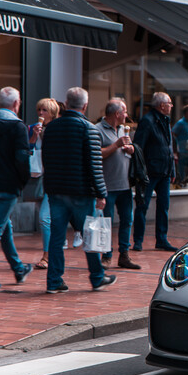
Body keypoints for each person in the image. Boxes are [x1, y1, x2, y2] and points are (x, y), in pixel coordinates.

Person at [41, 87, 115, 293]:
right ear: (84, 105)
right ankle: (97, 277)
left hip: (56, 191)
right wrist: (101, 193)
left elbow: (46, 158)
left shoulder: (52, 128)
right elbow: (94, 164)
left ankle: (54, 281)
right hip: (81, 192)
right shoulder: (88, 129)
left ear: (66, 103)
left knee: (56, 237)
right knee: (90, 236)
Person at [95, 99, 141, 270]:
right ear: (117, 114)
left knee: (127, 220)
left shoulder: (123, 129)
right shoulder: (97, 130)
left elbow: (127, 150)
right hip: (107, 185)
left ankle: (124, 255)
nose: (127, 115)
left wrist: (131, 149)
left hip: (125, 185)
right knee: (106, 222)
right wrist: (116, 145)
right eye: (125, 111)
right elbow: (96, 154)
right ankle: (106, 255)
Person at [132, 92, 178, 252]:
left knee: (163, 206)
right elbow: (138, 147)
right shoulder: (148, 121)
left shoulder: (165, 120)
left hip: (164, 172)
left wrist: (172, 169)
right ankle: (138, 240)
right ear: (161, 105)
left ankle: (162, 239)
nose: (172, 106)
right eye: (170, 103)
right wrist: (141, 171)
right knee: (142, 206)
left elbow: (169, 146)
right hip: (150, 173)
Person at [0, 87, 33, 288]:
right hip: (8, 185)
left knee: (6, 227)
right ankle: (19, 269)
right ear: (15, 104)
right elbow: (22, 159)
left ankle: (19, 269)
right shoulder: (18, 126)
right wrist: (23, 181)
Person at [28, 98, 60, 269]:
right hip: (41, 179)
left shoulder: (58, 128)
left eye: (45, 110)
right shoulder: (34, 128)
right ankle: (52, 253)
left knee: (45, 218)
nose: (41, 113)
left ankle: (47, 256)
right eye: (39, 109)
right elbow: (28, 150)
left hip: (55, 180)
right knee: (49, 218)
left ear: (53, 113)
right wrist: (34, 135)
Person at [172, 104, 188, 184]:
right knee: (181, 172)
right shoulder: (180, 123)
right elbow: (173, 134)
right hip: (182, 151)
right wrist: (176, 148)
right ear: (187, 112)